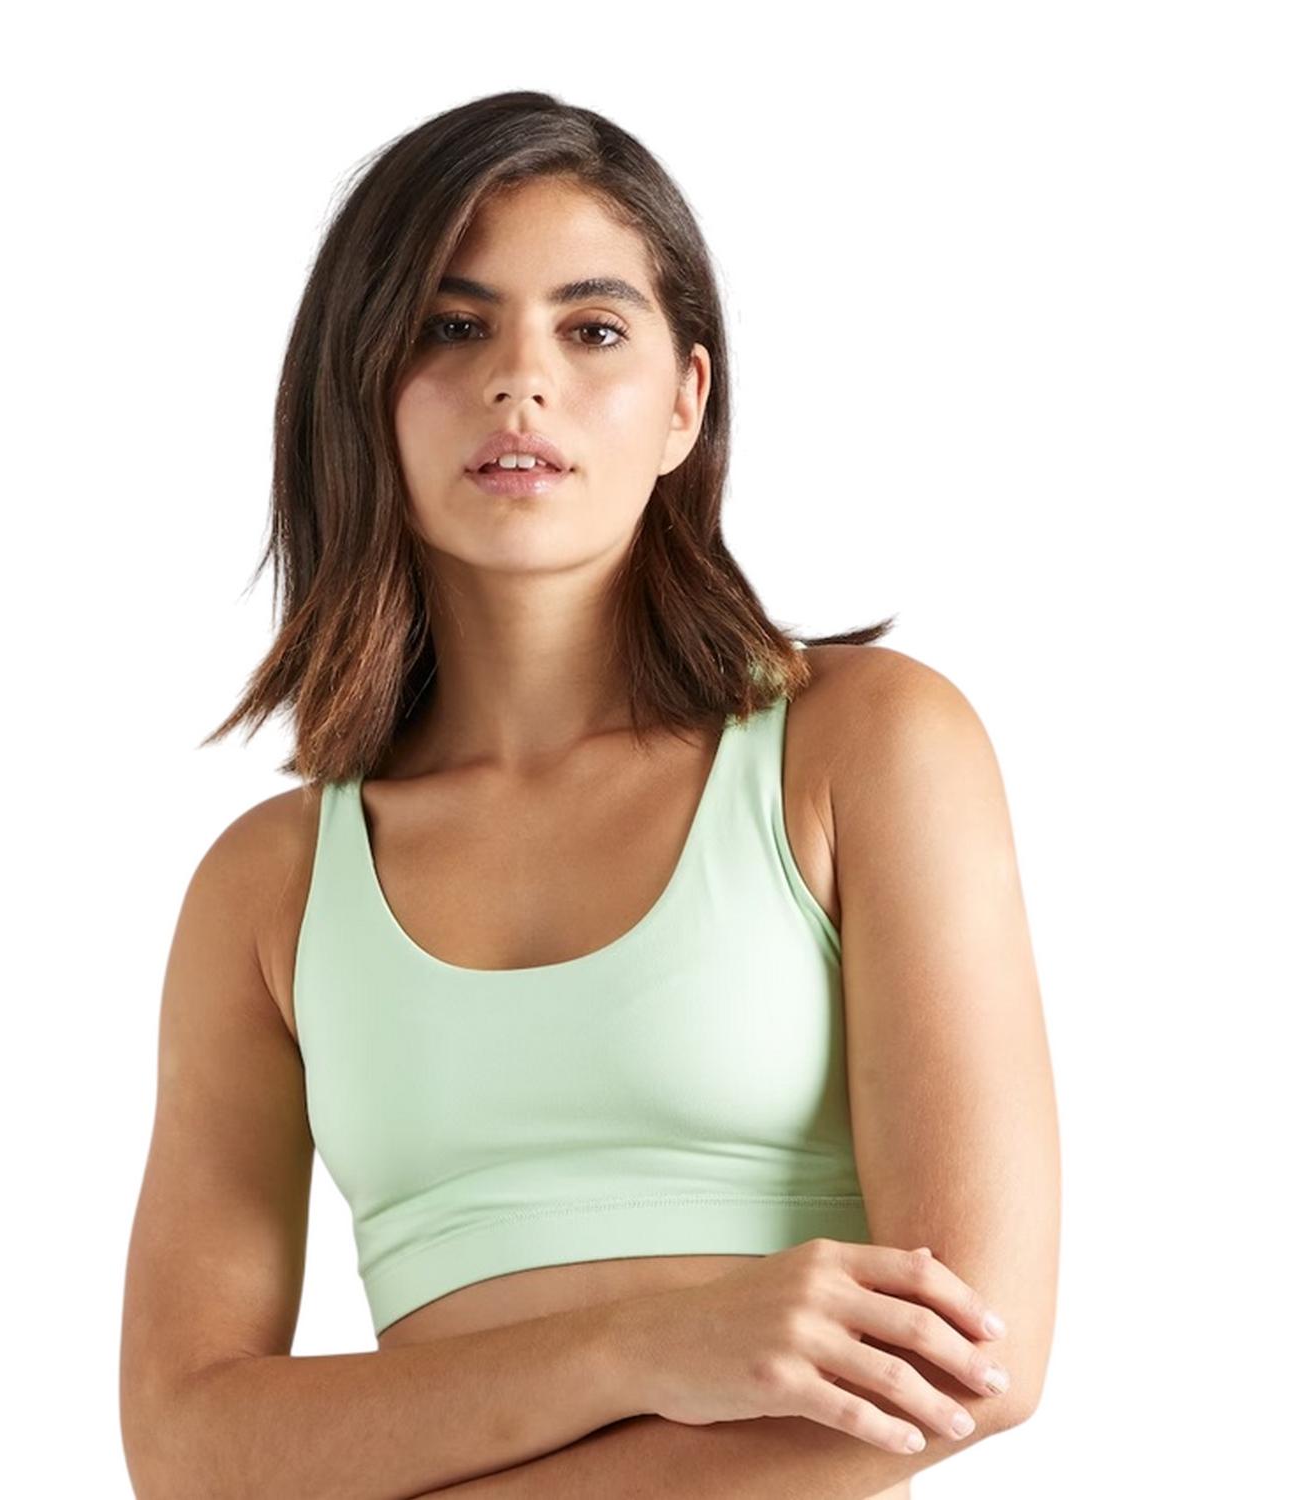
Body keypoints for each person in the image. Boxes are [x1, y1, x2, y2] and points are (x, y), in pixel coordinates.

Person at [119, 91, 1059, 1500]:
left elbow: (972, 1358)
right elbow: (186, 1444)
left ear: (687, 401)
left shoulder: (863, 750)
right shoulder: (271, 886)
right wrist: (644, 1347)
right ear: (360, 393)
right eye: (452, 326)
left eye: (593, 328)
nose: (521, 380)